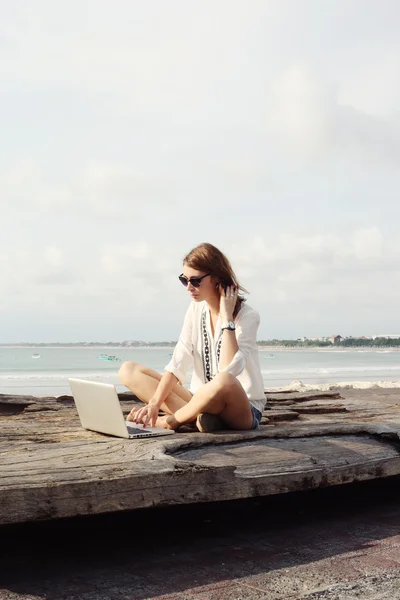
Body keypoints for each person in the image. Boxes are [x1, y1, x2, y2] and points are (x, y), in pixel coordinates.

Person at [118, 242, 266, 433]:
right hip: (198, 401)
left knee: (223, 381)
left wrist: (227, 318)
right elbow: (179, 361)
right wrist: (154, 404)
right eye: (184, 280)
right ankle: (201, 420)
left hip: (243, 409)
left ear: (217, 279)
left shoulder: (247, 316)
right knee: (128, 370)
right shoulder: (196, 309)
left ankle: (170, 421)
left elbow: (229, 370)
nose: (189, 287)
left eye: (195, 281)